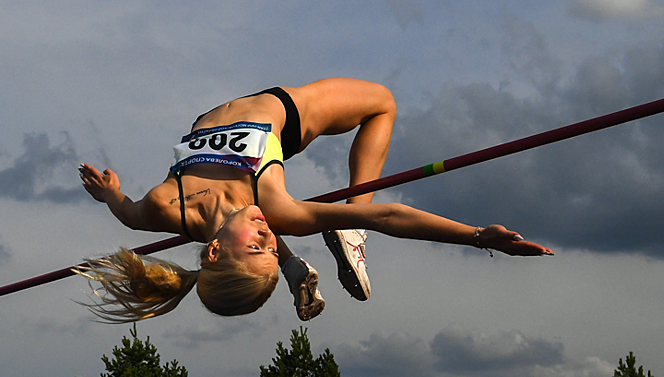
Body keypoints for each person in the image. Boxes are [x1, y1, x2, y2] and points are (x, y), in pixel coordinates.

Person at [77, 78, 552, 323]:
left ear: (215, 251)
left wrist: (109, 193)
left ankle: (297, 266)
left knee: (252, 221)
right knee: (382, 103)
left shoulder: (165, 207)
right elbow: (387, 215)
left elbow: (127, 214)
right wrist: (474, 237)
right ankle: (347, 229)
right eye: (270, 246)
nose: (267, 234)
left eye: (257, 247)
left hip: (225, 125)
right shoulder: (274, 211)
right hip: (278, 112)